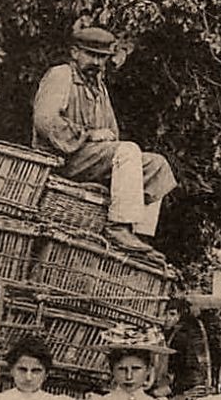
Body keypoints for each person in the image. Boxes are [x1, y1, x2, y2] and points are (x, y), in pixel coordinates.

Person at [30, 24, 177, 255]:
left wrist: (107, 146)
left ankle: (140, 235)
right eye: (91, 55)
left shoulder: (99, 87)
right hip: (62, 159)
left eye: (102, 58)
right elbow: (45, 120)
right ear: (74, 52)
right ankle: (118, 227)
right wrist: (88, 135)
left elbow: (112, 136)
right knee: (128, 150)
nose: (97, 63)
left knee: (157, 164)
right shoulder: (61, 75)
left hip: (92, 161)